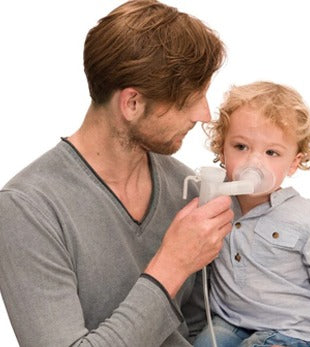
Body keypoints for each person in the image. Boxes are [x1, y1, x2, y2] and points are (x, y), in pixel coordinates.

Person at [0, 1, 234, 346]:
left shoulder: (186, 188)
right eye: (190, 100)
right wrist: (172, 264)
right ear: (132, 104)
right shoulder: (28, 209)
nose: (205, 114)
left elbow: (206, 327)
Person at [194, 81, 310, 347]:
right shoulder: (214, 204)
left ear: (293, 163)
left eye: (272, 152)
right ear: (222, 148)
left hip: (292, 330)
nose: (255, 162)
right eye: (241, 147)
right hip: (231, 322)